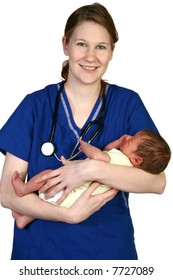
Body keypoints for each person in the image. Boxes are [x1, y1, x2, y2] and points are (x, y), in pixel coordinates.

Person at [0, 3, 167, 260]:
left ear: (112, 51)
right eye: (81, 44)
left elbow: (157, 182)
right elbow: (7, 194)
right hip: (40, 255)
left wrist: (91, 169)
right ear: (65, 45)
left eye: (101, 46)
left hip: (109, 254)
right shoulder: (35, 106)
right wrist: (69, 214)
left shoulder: (128, 104)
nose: (91, 56)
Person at [11, 129, 171, 229]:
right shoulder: (128, 170)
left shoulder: (121, 160)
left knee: (47, 174)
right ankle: (24, 219)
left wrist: (84, 145)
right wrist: (119, 143)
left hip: (69, 189)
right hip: (75, 202)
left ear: (136, 160)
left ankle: (23, 189)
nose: (128, 137)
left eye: (132, 139)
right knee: (47, 202)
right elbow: (108, 152)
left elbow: (98, 155)